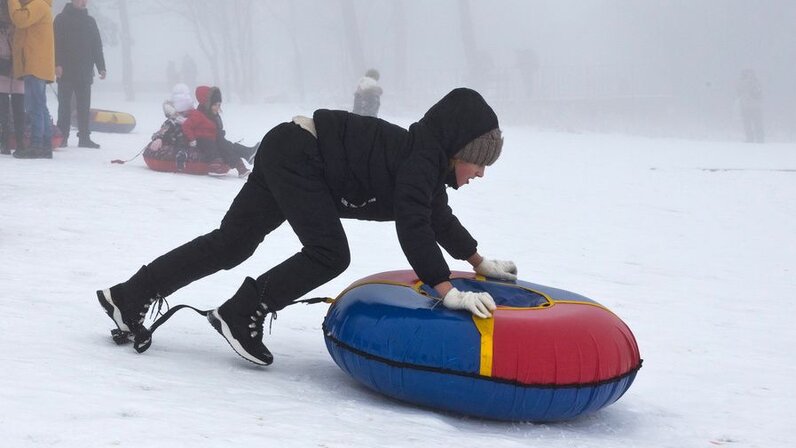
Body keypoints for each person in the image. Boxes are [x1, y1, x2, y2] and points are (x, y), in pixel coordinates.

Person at [97, 87, 516, 367]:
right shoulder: (421, 162)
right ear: (458, 150)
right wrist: (447, 290)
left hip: (290, 146)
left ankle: (129, 296)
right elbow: (414, 225)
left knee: (233, 243)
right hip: (301, 154)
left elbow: (436, 216)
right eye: (479, 162)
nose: (479, 173)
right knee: (330, 252)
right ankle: (241, 313)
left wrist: (478, 262)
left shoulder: (423, 162)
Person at [53, 0, 105, 149]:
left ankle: (84, 138)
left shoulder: (90, 22)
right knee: (64, 106)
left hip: (85, 71)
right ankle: (62, 136)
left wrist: (101, 67)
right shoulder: (61, 19)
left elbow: (96, 46)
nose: (83, 2)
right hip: (66, 71)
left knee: (84, 106)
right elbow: (56, 43)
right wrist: (57, 64)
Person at [8, 0, 55, 159]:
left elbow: (20, 20)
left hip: (35, 63)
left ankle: (37, 145)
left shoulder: (38, 5)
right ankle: (45, 144)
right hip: (36, 64)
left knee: (35, 106)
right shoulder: (39, 6)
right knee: (40, 105)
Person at [181, 85, 254, 177]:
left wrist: (220, 135)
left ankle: (241, 166)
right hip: (202, 140)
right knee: (216, 146)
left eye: (219, 105)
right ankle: (216, 165)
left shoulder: (213, 115)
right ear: (207, 103)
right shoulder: (198, 114)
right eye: (215, 105)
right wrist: (192, 140)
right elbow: (186, 126)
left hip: (214, 139)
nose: (217, 107)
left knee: (227, 146)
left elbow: (217, 129)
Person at [0, 3, 25, 155]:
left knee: (12, 107)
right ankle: (15, 141)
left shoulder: (19, 25)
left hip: (13, 66)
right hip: (13, 65)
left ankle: (8, 142)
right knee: (14, 107)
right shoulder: (20, 25)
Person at [737, 69, 764, 143]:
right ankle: (758, 139)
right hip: (752, 107)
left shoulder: (746, 82)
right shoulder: (756, 82)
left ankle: (754, 139)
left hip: (749, 107)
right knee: (753, 124)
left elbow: (739, 93)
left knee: (750, 124)